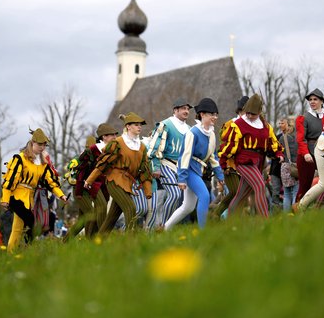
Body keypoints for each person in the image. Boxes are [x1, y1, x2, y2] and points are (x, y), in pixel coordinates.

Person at [0, 128, 68, 252]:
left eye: (44, 145)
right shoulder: (20, 158)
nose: (42, 147)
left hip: (30, 198)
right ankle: (25, 245)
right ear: (32, 143)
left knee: (17, 228)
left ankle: (11, 252)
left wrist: (61, 195)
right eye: (39, 144)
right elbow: (9, 180)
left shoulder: (43, 164)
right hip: (16, 197)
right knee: (34, 224)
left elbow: (50, 182)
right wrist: (5, 199)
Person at [85, 112, 153, 234]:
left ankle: (98, 242)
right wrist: (90, 180)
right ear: (128, 126)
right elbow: (103, 163)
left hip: (128, 183)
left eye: (140, 125)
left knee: (111, 218)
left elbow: (144, 170)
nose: (139, 127)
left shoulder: (142, 147)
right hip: (114, 180)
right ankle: (130, 243)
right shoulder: (118, 142)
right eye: (136, 124)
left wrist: (148, 190)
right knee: (131, 208)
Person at [219, 94, 284, 217]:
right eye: (247, 113)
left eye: (252, 114)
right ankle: (265, 222)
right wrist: (224, 163)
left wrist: (278, 153)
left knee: (241, 195)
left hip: (259, 162)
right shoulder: (238, 124)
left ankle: (229, 223)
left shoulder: (265, 126)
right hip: (244, 161)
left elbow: (272, 142)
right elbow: (230, 145)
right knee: (259, 186)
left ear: (259, 112)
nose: (249, 116)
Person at [165, 98, 224, 230]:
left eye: (216, 114)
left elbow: (213, 157)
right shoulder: (193, 132)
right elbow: (184, 157)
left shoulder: (212, 134)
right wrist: (182, 178)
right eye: (211, 114)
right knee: (204, 195)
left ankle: (165, 228)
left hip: (198, 171)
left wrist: (220, 176)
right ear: (202, 115)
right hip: (189, 170)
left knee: (187, 207)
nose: (215, 117)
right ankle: (203, 231)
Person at [66, 124, 119, 240]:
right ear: (104, 137)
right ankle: (99, 239)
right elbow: (79, 170)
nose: (115, 137)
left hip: (98, 185)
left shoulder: (112, 150)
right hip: (83, 186)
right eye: (112, 135)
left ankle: (66, 242)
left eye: (116, 135)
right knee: (96, 210)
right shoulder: (93, 150)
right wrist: (80, 186)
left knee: (83, 219)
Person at [147, 98, 192, 226]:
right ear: (175, 110)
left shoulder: (189, 129)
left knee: (182, 200)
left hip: (182, 167)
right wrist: (155, 166)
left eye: (188, 109)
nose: (186, 111)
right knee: (175, 195)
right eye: (183, 108)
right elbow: (154, 146)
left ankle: (169, 226)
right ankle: (164, 225)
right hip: (166, 164)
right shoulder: (165, 125)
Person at [295, 89, 324, 202]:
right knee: (304, 186)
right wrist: (306, 154)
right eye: (310, 100)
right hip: (306, 155)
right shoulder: (303, 118)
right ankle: (296, 211)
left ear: (322, 101)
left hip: (322, 153)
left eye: (315, 99)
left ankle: (316, 209)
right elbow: (300, 139)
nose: (312, 102)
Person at [274, 118, 299, 212]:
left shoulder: (282, 138)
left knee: (287, 193)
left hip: (284, 166)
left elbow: (278, 151)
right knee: (296, 192)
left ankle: (286, 216)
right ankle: (295, 213)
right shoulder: (298, 137)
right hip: (295, 167)